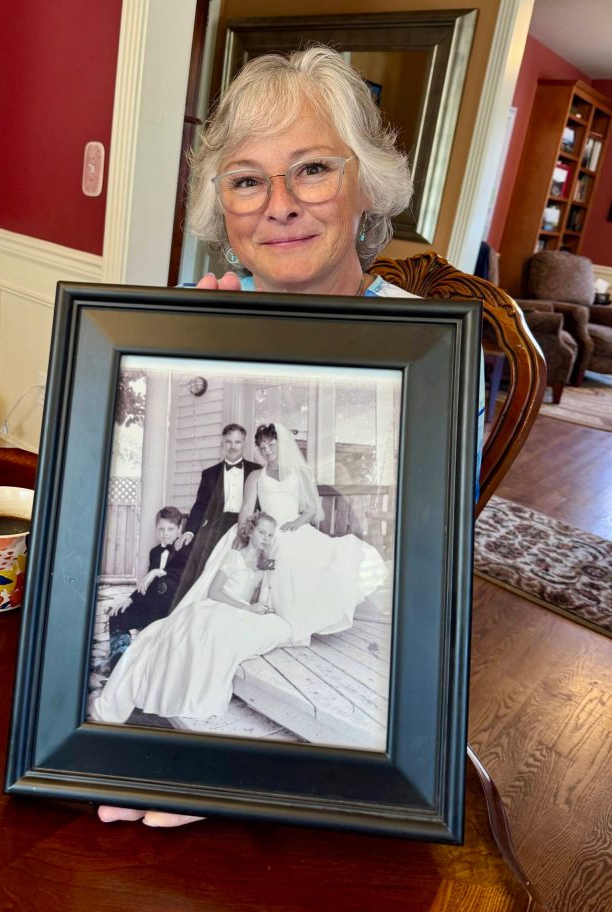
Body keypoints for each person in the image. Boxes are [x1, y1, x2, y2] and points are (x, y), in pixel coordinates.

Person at [98, 44, 478, 828]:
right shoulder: (185, 316)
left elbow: (429, 565)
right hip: (250, 561)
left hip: (326, 670)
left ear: (365, 180)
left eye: (311, 168)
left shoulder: (428, 356)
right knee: (192, 620)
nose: (279, 204)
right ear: (222, 208)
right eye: (246, 179)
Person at [90, 512, 290, 723]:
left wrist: (258, 602)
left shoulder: (263, 564)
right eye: (262, 532)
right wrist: (246, 608)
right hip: (218, 605)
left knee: (278, 627)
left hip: (240, 612)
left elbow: (257, 594)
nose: (266, 538)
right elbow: (214, 592)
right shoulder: (234, 556)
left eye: (270, 535)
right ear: (250, 531)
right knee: (191, 637)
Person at [241, 422, 390, 645]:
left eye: (271, 444)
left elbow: (311, 510)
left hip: (296, 527)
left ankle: (309, 620)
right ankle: (290, 621)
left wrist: (296, 523)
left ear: (281, 443)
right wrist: (247, 537)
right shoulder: (256, 476)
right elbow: (246, 510)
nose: (267, 450)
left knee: (328, 553)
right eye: (262, 447)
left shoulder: (299, 473)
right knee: (286, 550)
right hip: (270, 531)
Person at [172, 424, 261, 606]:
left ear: (244, 444)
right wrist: (189, 532)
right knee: (203, 562)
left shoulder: (256, 470)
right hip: (216, 525)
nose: (233, 446)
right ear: (222, 444)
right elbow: (200, 506)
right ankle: (202, 606)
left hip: (247, 524)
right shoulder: (210, 474)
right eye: (228, 442)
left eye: (237, 442)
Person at [101, 506, 189, 675]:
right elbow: (146, 584)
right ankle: (119, 666)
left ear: (180, 529)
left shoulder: (186, 551)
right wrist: (131, 599)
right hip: (151, 604)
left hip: (170, 608)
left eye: (170, 529)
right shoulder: (154, 553)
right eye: (161, 529)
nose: (165, 533)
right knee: (118, 615)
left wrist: (157, 572)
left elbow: (182, 576)